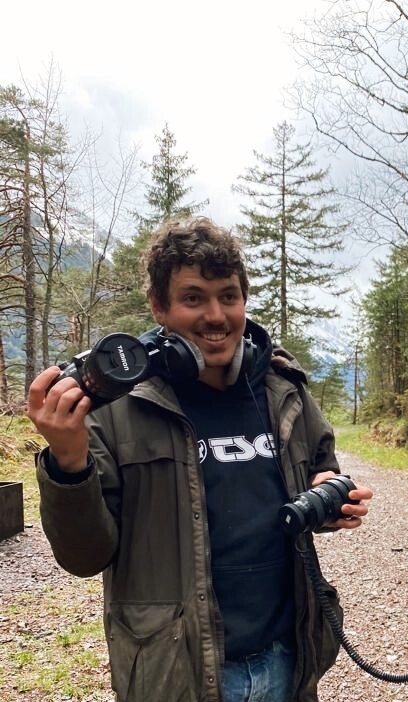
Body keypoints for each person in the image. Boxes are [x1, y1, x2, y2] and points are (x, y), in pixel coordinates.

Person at [26, 216, 372, 702]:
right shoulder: (115, 410)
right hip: (177, 673)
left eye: (228, 296)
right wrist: (68, 461)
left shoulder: (282, 389)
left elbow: (321, 462)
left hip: (287, 660)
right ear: (158, 307)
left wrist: (329, 494)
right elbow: (85, 557)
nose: (216, 315)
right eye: (193, 298)